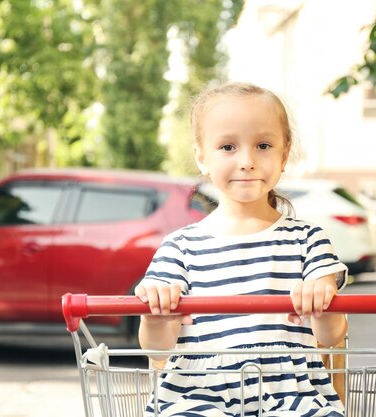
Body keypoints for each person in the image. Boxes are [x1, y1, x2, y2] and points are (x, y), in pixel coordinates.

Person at [135, 82, 348, 417]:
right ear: (201, 157)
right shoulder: (180, 248)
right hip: (198, 389)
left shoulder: (308, 240)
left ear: (284, 155)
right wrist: (157, 314)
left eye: (263, 145)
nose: (247, 161)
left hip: (291, 389)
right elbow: (157, 347)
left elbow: (331, 335)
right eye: (228, 147)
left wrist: (323, 304)